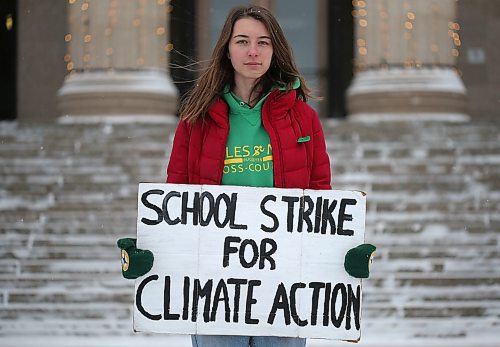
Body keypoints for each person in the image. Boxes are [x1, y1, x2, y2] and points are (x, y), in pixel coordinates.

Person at [166, 5, 330, 347]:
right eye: (242, 41)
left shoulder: (304, 119)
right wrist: (153, 250)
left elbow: (320, 197)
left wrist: (340, 254)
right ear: (227, 48)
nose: (253, 51)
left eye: (263, 42)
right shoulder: (195, 118)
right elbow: (176, 197)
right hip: (214, 284)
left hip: (284, 283)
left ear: (275, 50)